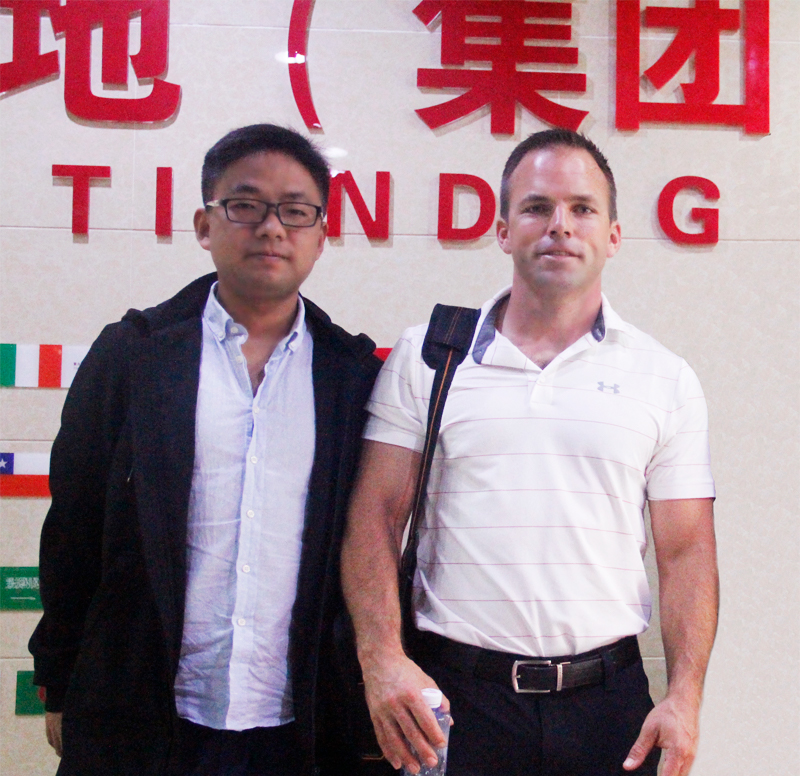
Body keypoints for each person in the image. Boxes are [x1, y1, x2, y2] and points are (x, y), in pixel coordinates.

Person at [341, 129, 719, 776]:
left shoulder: (664, 377)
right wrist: (381, 662)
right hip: (456, 700)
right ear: (502, 230)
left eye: (582, 208)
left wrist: (685, 695)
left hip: (608, 710)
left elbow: (686, 550)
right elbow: (374, 516)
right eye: (537, 207)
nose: (559, 226)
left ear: (614, 235)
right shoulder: (430, 356)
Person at [29, 124, 382, 776]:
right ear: (204, 224)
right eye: (245, 205)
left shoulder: (351, 376)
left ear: (321, 234)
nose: (271, 228)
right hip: (144, 712)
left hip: (299, 722)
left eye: (295, 211)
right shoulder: (132, 356)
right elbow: (72, 528)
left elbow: (369, 547)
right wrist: (58, 675)